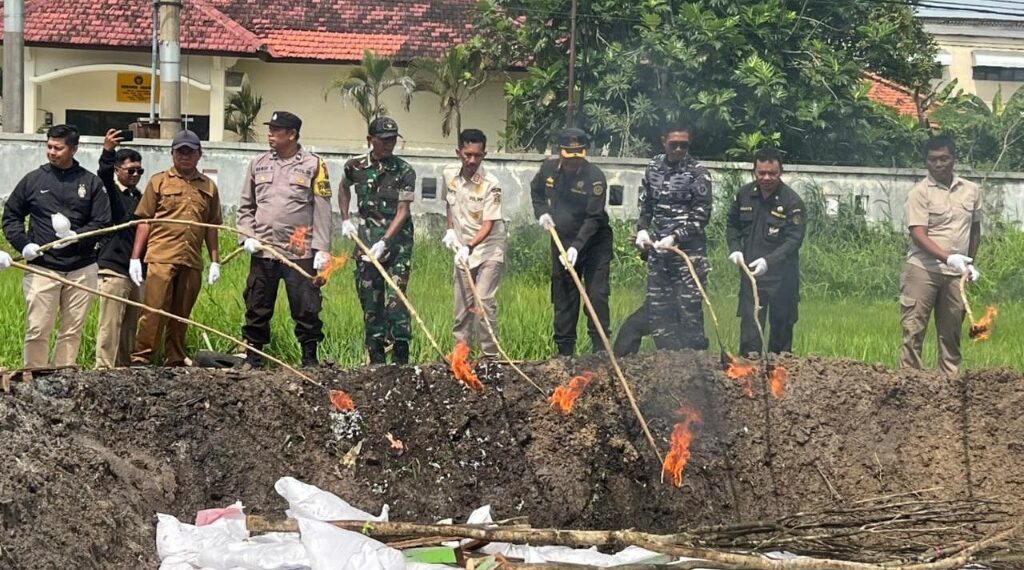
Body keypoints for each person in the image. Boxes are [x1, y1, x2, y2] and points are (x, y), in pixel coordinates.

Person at [2, 124, 110, 369]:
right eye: (49, 146)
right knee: (38, 327)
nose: (52, 152)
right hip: (43, 266)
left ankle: (63, 375)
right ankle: (34, 374)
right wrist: (24, 244)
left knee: (72, 329)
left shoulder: (90, 182)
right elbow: (11, 217)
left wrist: (77, 236)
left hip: (81, 267)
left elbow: (102, 221)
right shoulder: (33, 180)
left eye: (58, 148)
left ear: (73, 149)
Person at [237, 111, 333, 368]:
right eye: (270, 129)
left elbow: (322, 209)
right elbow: (246, 206)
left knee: (306, 308)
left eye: (276, 130)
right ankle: (253, 356)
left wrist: (322, 249)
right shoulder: (258, 164)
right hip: (264, 249)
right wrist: (247, 237)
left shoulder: (314, 165)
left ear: (292, 134)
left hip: (299, 252)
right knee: (257, 305)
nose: (270, 134)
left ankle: (309, 358)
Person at [130, 130, 222, 366]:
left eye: (189, 152)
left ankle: (175, 357)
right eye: (180, 152)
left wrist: (215, 260)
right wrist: (135, 258)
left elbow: (211, 226)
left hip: (191, 258)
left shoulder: (209, 187)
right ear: (172, 154)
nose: (185, 157)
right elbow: (144, 221)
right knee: (154, 310)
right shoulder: (159, 181)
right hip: (161, 256)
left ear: (199, 155)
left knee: (181, 312)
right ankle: (142, 357)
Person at [900, 135, 981, 375]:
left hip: (956, 274)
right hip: (923, 270)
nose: (938, 164)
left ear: (953, 159)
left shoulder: (971, 190)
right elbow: (918, 234)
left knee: (951, 334)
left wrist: (969, 263)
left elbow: (975, 230)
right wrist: (948, 258)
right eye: (932, 159)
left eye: (943, 158)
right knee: (914, 330)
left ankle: (950, 387)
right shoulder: (919, 193)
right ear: (926, 161)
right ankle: (910, 383)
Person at [339, 117, 416, 365]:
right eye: (383, 140)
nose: (389, 145)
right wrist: (345, 218)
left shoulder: (404, 171)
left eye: (392, 140)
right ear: (370, 140)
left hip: (396, 246)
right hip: (365, 244)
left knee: (396, 300)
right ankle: (376, 357)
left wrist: (384, 241)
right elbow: (343, 188)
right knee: (371, 303)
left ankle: (401, 354)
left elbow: (403, 211)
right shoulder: (355, 166)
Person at [530, 127, 612, 356]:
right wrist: (542, 212)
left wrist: (577, 246)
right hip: (561, 239)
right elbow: (535, 191)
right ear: (560, 153)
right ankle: (565, 351)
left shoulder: (595, 178)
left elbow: (594, 217)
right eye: (569, 160)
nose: (574, 165)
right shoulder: (548, 170)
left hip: (595, 242)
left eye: (578, 159)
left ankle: (600, 348)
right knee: (564, 294)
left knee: (596, 294)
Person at [635, 124, 712, 351]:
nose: (678, 149)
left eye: (684, 145)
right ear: (663, 141)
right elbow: (646, 205)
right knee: (659, 310)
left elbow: (701, 216)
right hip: (659, 254)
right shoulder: (653, 168)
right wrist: (642, 229)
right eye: (673, 144)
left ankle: (694, 364)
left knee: (689, 309)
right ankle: (667, 366)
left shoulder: (699, 173)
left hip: (688, 256)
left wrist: (676, 237)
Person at [725, 148, 806, 356]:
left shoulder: (791, 201)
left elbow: (794, 239)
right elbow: (732, 224)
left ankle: (778, 380)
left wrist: (769, 261)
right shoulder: (744, 195)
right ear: (754, 172)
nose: (767, 178)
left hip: (782, 280)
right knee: (750, 336)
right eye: (761, 173)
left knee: (780, 339)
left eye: (772, 173)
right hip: (752, 277)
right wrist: (735, 248)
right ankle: (749, 380)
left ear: (781, 172)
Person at [442, 128, 506, 358]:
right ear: (458, 152)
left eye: (477, 156)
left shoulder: (491, 184)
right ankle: (461, 357)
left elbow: (489, 224)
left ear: (484, 155)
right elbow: (449, 204)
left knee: (483, 302)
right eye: (467, 154)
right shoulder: (449, 175)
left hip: (488, 249)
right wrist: (450, 230)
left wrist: (469, 247)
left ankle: (491, 358)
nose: (472, 160)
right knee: (461, 310)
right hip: (462, 251)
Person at [94, 129, 145, 369]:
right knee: (110, 323)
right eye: (130, 170)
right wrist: (108, 150)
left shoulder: (140, 198)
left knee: (130, 325)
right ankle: (104, 368)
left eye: (139, 171)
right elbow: (103, 174)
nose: (135, 175)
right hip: (113, 268)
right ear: (118, 170)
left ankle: (123, 369)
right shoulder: (111, 194)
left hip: (135, 272)